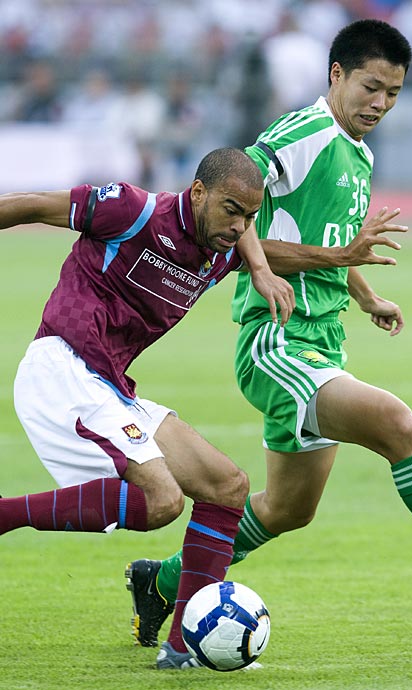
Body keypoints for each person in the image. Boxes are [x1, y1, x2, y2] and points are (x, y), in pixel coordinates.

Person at [130, 18, 412, 659]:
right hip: (276, 341)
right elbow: (229, 197)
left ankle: (160, 582)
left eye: (392, 93)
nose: (380, 104)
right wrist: (255, 266)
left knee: (287, 508)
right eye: (370, 87)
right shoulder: (304, 133)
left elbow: (330, 242)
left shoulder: (358, 152)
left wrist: (365, 295)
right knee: (399, 426)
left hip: (323, 340)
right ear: (336, 74)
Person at [0, 147, 297, 670]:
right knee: (161, 500)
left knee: (227, 486)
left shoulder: (219, 252)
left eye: (249, 217)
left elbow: (271, 250)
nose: (240, 226)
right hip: (64, 366)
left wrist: (343, 258)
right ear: (199, 193)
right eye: (231, 210)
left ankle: (182, 649)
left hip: (110, 386)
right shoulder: (132, 210)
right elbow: (33, 205)